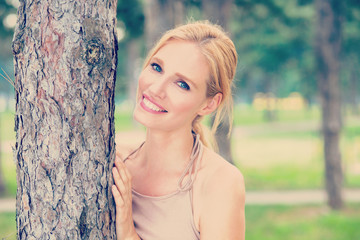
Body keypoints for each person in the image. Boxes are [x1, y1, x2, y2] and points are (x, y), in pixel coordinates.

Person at [111, 20, 245, 240]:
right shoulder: (114, 161)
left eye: (182, 84)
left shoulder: (219, 183)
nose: (155, 89)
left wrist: (128, 233)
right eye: (156, 67)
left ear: (209, 104)